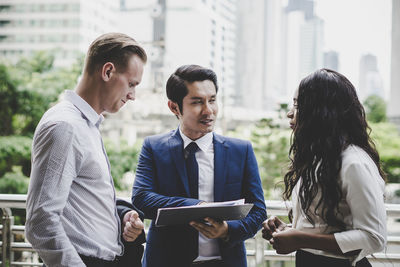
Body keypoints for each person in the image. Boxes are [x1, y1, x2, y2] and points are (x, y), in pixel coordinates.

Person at [26, 33, 148, 267]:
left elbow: (83, 201)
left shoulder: (87, 125)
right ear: (108, 71)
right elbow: (41, 223)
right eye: (131, 84)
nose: (133, 95)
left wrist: (121, 218)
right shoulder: (65, 127)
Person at [131, 65, 267, 267]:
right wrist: (194, 207)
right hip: (167, 261)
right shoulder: (154, 147)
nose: (208, 111)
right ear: (174, 107)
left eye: (212, 100)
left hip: (225, 262)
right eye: (197, 102)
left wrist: (228, 229)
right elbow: (141, 198)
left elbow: (258, 211)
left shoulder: (241, 150)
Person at [262, 69, 387, 267]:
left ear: (321, 112)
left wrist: (301, 239)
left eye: (297, 105)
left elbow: (374, 237)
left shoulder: (354, 162)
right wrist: (287, 230)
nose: (289, 113)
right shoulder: (318, 159)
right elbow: (322, 229)